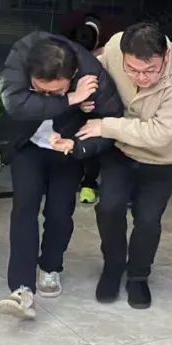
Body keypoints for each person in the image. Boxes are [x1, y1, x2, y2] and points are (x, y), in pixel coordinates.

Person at [0, 32, 123, 320]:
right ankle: (22, 288)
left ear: (73, 75)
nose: (46, 97)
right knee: (24, 209)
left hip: (67, 147)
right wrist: (71, 99)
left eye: (55, 91)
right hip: (28, 144)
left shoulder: (92, 72)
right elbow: (15, 103)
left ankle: (51, 266)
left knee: (59, 212)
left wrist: (78, 146)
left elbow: (111, 124)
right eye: (39, 90)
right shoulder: (24, 51)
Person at [77, 21, 172, 309]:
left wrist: (105, 126)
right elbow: (94, 72)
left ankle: (138, 276)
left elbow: (160, 134)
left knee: (147, 219)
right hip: (120, 149)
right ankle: (113, 265)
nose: (141, 78)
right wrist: (84, 96)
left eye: (150, 71)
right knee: (109, 208)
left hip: (163, 156)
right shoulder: (114, 46)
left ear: (165, 58)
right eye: (132, 70)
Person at [68, 15, 104, 205]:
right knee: (88, 148)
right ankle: (87, 185)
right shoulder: (101, 58)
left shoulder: (69, 58)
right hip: (83, 112)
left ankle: (86, 184)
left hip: (85, 112)